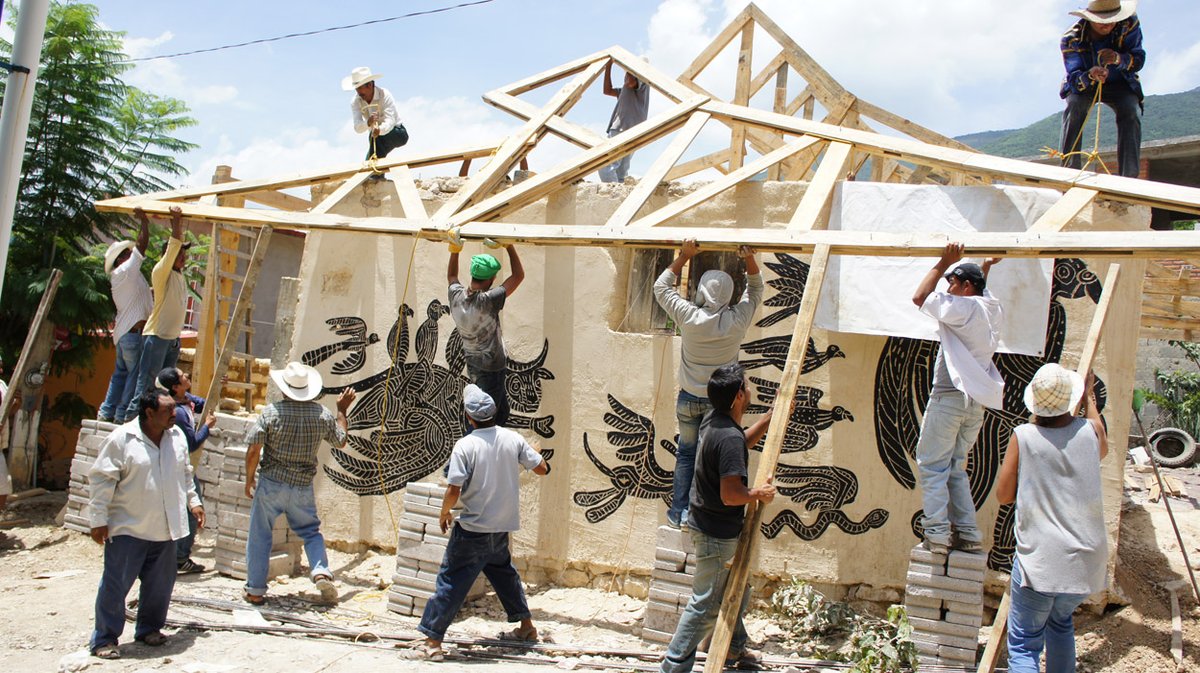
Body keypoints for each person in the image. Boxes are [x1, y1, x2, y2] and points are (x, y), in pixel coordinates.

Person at [416, 384, 549, 661]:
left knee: (451, 581)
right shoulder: (512, 439)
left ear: (468, 417)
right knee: (505, 576)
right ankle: (526, 627)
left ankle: (432, 641)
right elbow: (542, 469)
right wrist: (534, 450)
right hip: (501, 528)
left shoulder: (466, 445)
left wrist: (444, 512)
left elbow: (454, 488)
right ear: (495, 413)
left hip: (474, 528)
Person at [660, 364, 775, 673]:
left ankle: (734, 646)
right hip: (716, 533)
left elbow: (738, 446)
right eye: (747, 388)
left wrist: (766, 420)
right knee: (706, 604)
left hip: (709, 525)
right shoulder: (728, 439)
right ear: (739, 396)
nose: (750, 391)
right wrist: (757, 494)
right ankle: (672, 667)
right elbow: (730, 494)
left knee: (737, 587)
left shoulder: (716, 421)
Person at [996, 363, 1108, 673]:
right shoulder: (1090, 431)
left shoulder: (1024, 436)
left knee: (1024, 645)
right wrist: (1089, 400)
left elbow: (1004, 495)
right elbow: (1100, 446)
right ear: (1071, 398)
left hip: (1041, 564)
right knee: (1060, 625)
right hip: (1085, 563)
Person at [653, 239, 763, 528]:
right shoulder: (736, 320)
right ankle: (692, 515)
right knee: (705, 459)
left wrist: (684, 256)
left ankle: (678, 513)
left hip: (688, 400)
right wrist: (749, 258)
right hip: (719, 405)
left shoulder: (689, 316)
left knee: (686, 454)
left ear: (701, 290)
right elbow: (755, 290)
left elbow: (660, 288)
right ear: (728, 293)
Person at [87, 388, 204, 660]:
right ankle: (105, 639)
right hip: (130, 527)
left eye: (174, 409)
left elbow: (185, 474)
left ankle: (149, 629)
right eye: (168, 411)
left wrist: (194, 502)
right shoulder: (121, 439)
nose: (175, 414)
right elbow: (102, 480)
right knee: (116, 586)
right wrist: (98, 520)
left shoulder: (176, 437)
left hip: (166, 528)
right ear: (149, 413)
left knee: (159, 585)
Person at [910, 243, 1004, 554]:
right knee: (954, 467)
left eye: (952, 283)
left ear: (965, 287)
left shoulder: (963, 309)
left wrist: (944, 261)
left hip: (950, 398)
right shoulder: (991, 309)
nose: (948, 289)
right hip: (974, 404)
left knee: (932, 465)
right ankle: (968, 533)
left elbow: (919, 297)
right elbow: (981, 289)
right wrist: (985, 264)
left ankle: (937, 534)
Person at [243, 362, 354, 605]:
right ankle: (321, 570)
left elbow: (254, 449)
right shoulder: (321, 415)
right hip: (302, 485)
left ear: (284, 389)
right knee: (311, 532)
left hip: (272, 482)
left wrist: (249, 477)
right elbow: (341, 441)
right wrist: (342, 410)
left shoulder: (271, 412)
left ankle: (255, 590)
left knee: (260, 535)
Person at [1059, 0, 1145, 178]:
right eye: (1101, 20)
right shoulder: (1071, 38)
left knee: (1130, 109)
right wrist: (1090, 75)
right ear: (1090, 18)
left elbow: (1138, 60)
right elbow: (1074, 78)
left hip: (1121, 82)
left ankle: (1129, 177)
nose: (1107, 25)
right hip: (1085, 85)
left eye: (1111, 19)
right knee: (1075, 106)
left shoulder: (1129, 24)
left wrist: (1118, 59)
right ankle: (1069, 171)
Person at [123, 206, 191, 422]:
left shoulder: (180, 277)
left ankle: (157, 422)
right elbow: (175, 242)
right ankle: (131, 420)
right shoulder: (161, 272)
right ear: (168, 256)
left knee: (165, 388)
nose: (183, 257)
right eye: (179, 253)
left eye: (184, 254)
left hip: (172, 339)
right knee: (147, 384)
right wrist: (176, 219)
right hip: (157, 336)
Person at [447, 245, 524, 427]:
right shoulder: (488, 301)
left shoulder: (456, 296)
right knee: (483, 422)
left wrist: (455, 249)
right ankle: (476, 452)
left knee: (501, 412)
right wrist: (510, 246)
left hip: (474, 365)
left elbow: (451, 276)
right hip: (491, 370)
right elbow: (518, 276)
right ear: (490, 279)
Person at [157, 367, 216, 574]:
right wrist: (207, 426)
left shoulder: (184, 400)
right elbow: (192, 444)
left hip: (178, 465)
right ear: (175, 387)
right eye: (183, 377)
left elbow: (203, 402)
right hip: (177, 466)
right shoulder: (179, 413)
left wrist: (219, 385)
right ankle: (180, 558)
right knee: (193, 511)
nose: (187, 377)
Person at [98, 209, 152, 423]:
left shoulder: (127, 277)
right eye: (128, 253)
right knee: (134, 374)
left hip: (124, 333)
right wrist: (144, 223)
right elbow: (142, 246)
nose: (132, 255)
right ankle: (121, 414)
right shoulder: (124, 272)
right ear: (121, 259)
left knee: (120, 374)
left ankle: (106, 411)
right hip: (132, 334)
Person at [344, 66, 408, 175]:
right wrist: (368, 123)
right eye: (356, 88)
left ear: (369, 85)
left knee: (375, 143)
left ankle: (371, 174)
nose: (358, 92)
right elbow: (358, 128)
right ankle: (375, 175)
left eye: (360, 88)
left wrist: (380, 130)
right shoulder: (355, 101)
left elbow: (390, 121)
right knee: (375, 146)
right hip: (377, 138)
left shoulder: (385, 95)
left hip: (398, 133)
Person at [598, 60, 650, 183]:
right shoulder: (625, 91)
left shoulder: (642, 81)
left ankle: (612, 193)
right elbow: (607, 90)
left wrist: (627, 68)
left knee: (606, 163)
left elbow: (631, 82)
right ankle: (620, 196)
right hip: (632, 131)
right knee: (621, 171)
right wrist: (608, 67)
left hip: (622, 128)